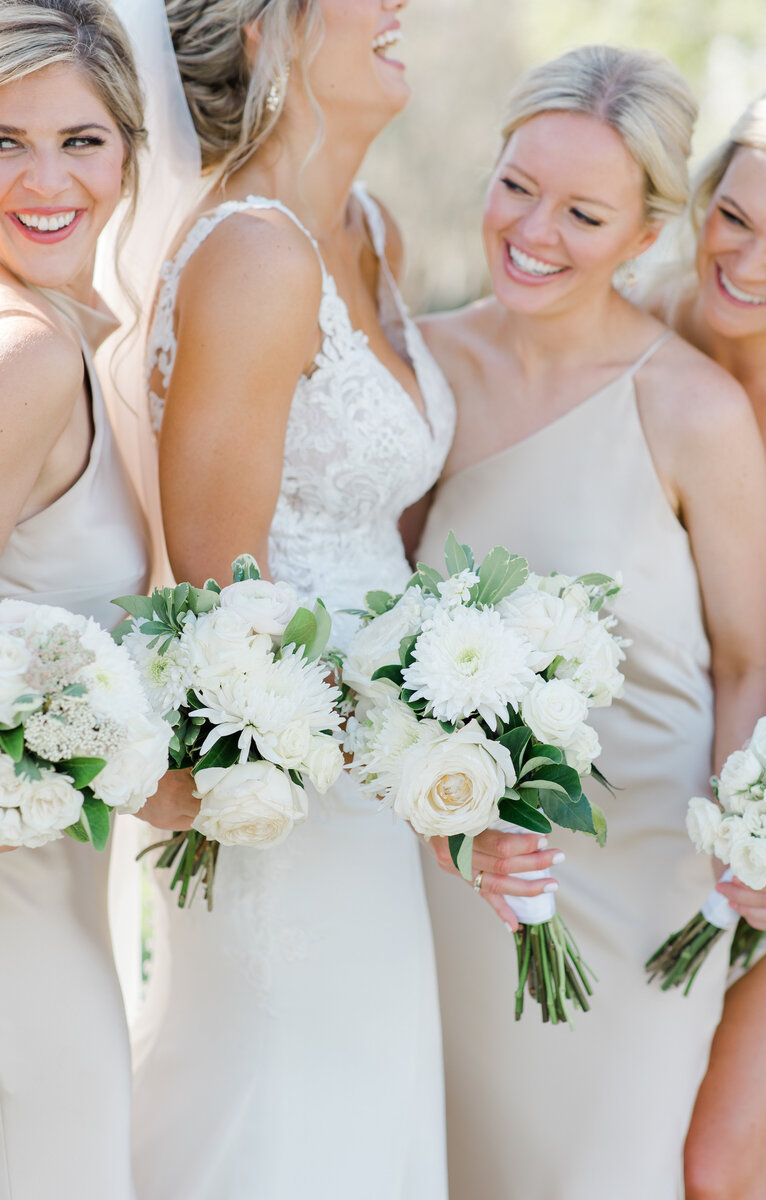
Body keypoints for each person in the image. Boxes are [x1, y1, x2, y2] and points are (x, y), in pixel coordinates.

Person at [417, 44, 766, 1200]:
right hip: (465, 871)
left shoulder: (691, 407)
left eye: (584, 211)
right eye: (516, 186)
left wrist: (738, 854)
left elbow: (740, 667)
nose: (534, 230)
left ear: (640, 237)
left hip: (646, 883)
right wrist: (449, 818)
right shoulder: (426, 371)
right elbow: (389, 631)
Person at [127, 2, 463, 1196]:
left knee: (369, 1115)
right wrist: (391, 734)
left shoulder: (367, 232)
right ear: (264, 32)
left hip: (381, 783)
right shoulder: (255, 257)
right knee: (286, 1119)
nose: (399, 9)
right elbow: (227, 614)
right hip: (286, 796)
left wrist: (472, 709)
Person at [0, 2, 149, 1195]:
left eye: (82, 140)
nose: (46, 179)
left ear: (131, 155)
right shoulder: (30, 359)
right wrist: (127, 755)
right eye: (3, 141)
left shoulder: (65, 339)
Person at [649, 77, 766, 1200]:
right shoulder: (632, 331)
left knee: (721, 1156)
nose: (745, 264)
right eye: (733, 218)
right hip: (645, 791)